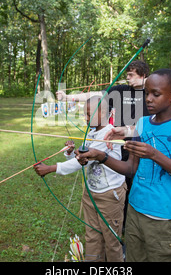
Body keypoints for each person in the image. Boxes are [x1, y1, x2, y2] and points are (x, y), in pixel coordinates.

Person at [76, 69, 171, 261]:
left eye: (156, 94)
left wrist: (154, 154)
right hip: (135, 210)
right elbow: (130, 169)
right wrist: (101, 156)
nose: (148, 99)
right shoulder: (142, 123)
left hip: (164, 216)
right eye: (146, 93)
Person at [57, 60, 151, 231]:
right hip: (116, 147)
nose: (127, 78)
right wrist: (69, 97)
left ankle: (135, 224)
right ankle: (119, 225)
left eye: (131, 75)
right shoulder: (121, 91)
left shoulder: (151, 95)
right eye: (127, 74)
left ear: (144, 75)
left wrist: (146, 84)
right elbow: (94, 95)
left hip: (141, 149)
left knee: (138, 188)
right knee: (120, 186)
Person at [33, 96, 126, 262]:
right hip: (91, 194)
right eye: (85, 114)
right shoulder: (92, 132)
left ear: (103, 112)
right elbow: (82, 161)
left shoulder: (109, 135)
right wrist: (70, 152)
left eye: (89, 114)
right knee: (92, 236)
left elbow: (79, 164)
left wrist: (50, 169)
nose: (86, 118)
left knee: (112, 241)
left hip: (109, 196)